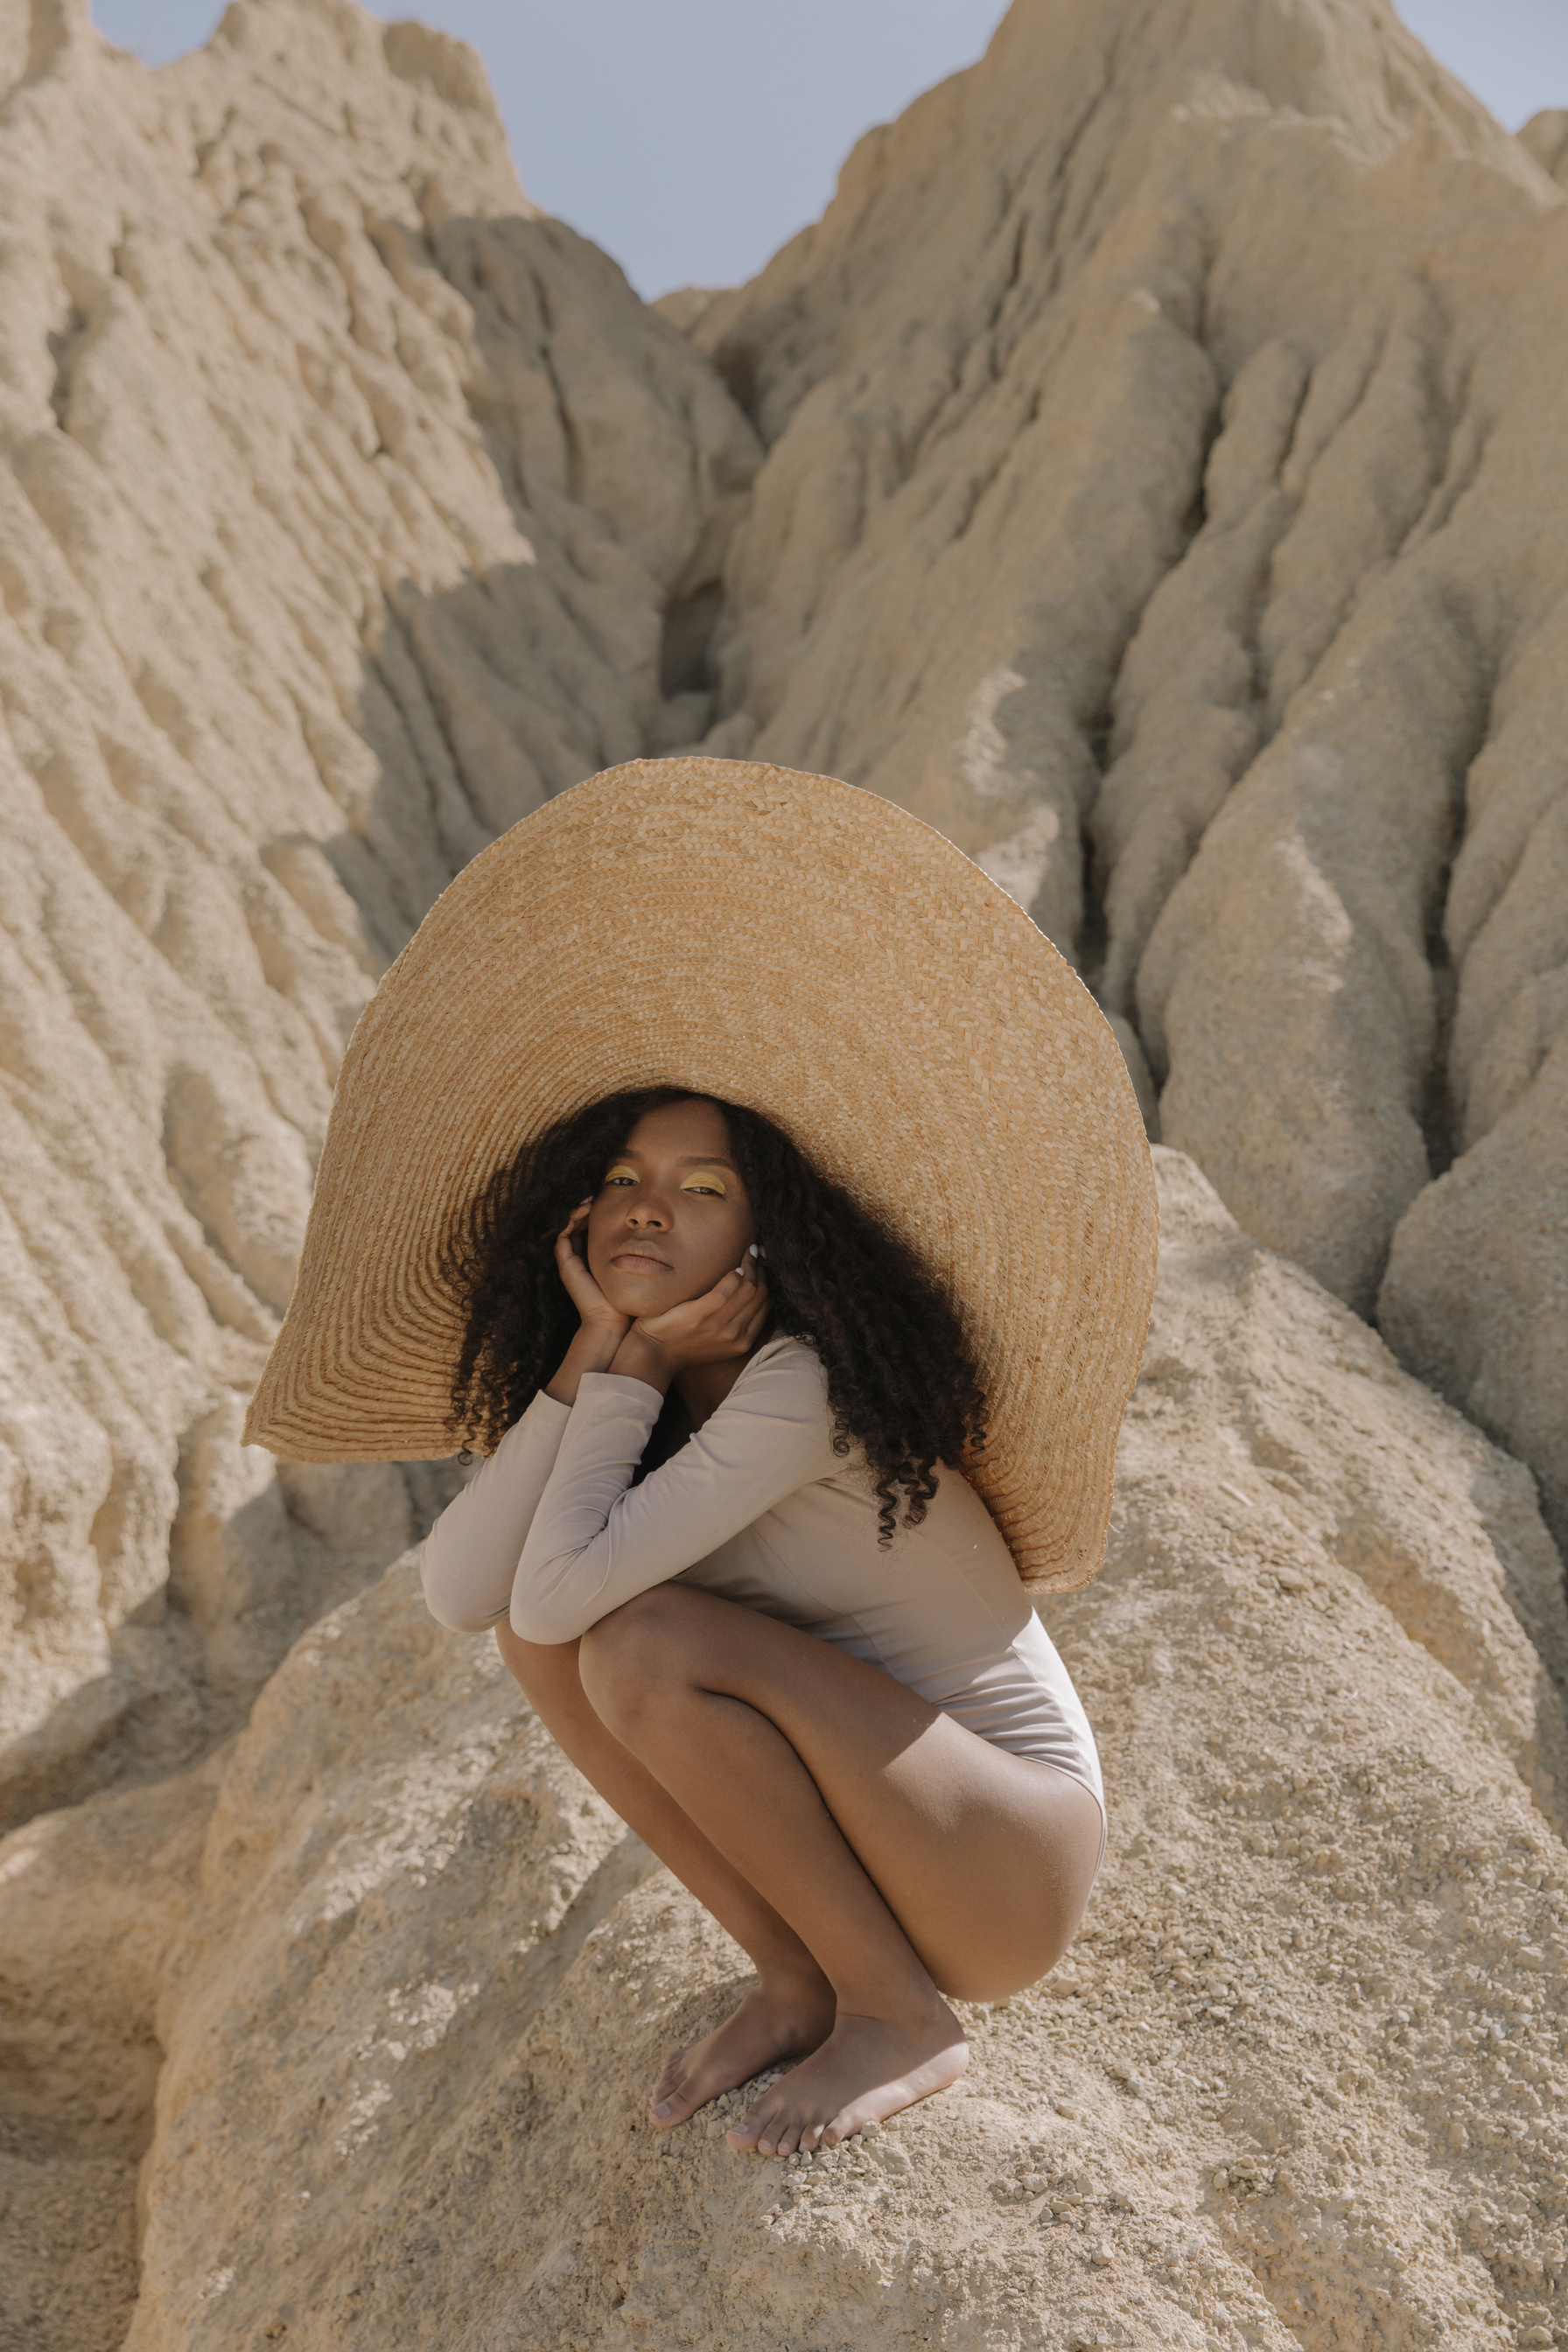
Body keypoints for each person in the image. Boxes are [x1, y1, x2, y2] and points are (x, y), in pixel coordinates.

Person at [243, 755, 1157, 2166]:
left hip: (1004, 1860)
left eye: (702, 1187)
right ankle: (800, 1979)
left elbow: (565, 1593)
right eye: (622, 1179)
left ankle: (897, 2013)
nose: (647, 1207)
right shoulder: (652, 1393)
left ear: (769, 1236)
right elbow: (471, 1596)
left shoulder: (801, 1387)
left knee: (639, 1639)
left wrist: (633, 1370)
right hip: (900, 1834)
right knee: (559, 1643)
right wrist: (593, 1361)